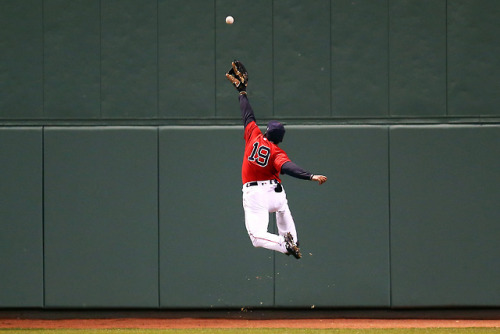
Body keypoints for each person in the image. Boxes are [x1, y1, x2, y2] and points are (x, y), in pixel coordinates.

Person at [226, 60, 328, 259]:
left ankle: (284, 244)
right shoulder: (277, 153)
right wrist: (310, 176)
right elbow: (289, 168)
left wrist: (242, 92)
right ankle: (292, 239)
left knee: (256, 237)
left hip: (256, 195)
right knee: (282, 207)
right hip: (275, 193)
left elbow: (247, 115)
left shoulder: (254, 135)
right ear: (279, 140)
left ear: (266, 131)